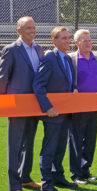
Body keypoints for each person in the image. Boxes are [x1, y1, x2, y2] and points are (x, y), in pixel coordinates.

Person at [0, 16, 44, 191]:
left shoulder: (39, 48)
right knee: (15, 146)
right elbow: (3, 79)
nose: (32, 31)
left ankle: (25, 178)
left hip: (34, 104)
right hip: (17, 106)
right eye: (28, 28)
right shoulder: (11, 49)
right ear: (19, 31)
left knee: (29, 143)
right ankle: (14, 185)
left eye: (34, 27)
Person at [33, 26, 78, 191]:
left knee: (60, 147)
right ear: (54, 40)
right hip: (52, 113)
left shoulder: (67, 59)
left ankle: (58, 177)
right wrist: (48, 107)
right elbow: (38, 85)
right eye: (64, 38)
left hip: (66, 112)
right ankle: (46, 183)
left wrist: (74, 88)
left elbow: (70, 81)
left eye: (68, 38)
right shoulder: (49, 58)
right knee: (49, 148)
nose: (68, 41)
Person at [68, 29, 97, 185]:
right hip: (77, 107)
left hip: (95, 105)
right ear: (76, 43)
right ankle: (76, 174)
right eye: (84, 40)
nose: (88, 43)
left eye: (89, 40)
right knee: (76, 140)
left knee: (90, 141)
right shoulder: (70, 59)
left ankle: (86, 170)